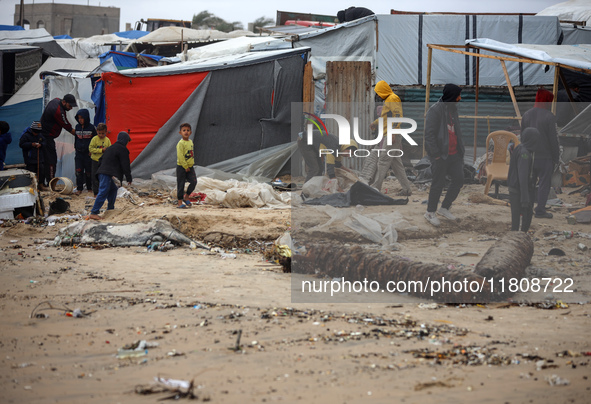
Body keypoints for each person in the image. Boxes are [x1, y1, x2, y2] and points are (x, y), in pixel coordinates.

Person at [423, 83, 465, 227]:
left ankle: (444, 208)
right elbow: (429, 135)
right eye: (457, 95)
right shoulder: (435, 111)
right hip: (440, 155)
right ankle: (430, 212)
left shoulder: (453, 109)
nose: (460, 98)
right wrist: (435, 155)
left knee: (459, 179)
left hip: (454, 155)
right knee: (438, 184)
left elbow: (456, 130)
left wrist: (461, 151)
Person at [368, 81, 413, 196]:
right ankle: (407, 189)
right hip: (389, 134)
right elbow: (386, 117)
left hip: (391, 134)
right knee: (397, 165)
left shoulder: (393, 98)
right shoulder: (388, 100)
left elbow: (398, 116)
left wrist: (393, 132)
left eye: (378, 92)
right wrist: (375, 123)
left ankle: (375, 188)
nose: (378, 95)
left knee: (382, 161)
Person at [521, 88, 560, 219]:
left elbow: (523, 137)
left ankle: (527, 209)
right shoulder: (550, 116)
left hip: (529, 156)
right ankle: (540, 211)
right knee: (544, 183)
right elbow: (553, 139)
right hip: (545, 157)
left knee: (530, 183)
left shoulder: (526, 115)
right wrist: (556, 157)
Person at [89, 131, 132, 220]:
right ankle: (94, 212)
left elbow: (100, 159)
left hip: (102, 172)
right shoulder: (123, 149)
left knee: (113, 189)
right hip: (106, 173)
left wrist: (101, 170)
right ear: (125, 141)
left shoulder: (110, 148)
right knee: (103, 191)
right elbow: (125, 164)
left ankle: (110, 209)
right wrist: (128, 177)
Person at [40, 94, 77, 184]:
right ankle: (51, 183)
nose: (71, 108)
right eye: (70, 106)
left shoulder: (56, 99)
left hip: (44, 135)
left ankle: (44, 182)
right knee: (51, 160)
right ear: (64, 102)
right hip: (47, 136)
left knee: (45, 160)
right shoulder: (58, 111)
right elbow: (68, 127)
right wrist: (80, 135)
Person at [508, 127, 539, 232]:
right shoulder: (524, 154)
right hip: (519, 191)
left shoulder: (520, 148)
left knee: (516, 219)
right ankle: (519, 238)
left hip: (515, 188)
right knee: (523, 218)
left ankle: (516, 238)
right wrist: (525, 198)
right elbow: (523, 176)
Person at [73, 109, 96, 195]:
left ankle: (89, 187)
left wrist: (92, 150)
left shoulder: (91, 128)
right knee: (78, 171)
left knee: (88, 171)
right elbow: (76, 138)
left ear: (86, 118)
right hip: (79, 153)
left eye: (82, 118)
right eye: (79, 118)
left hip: (88, 154)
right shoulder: (77, 127)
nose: (80, 120)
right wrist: (76, 147)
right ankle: (79, 188)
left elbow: (94, 140)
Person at [18, 121, 46, 189]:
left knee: (41, 171)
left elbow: (45, 142)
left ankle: (41, 184)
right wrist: (31, 144)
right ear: (32, 130)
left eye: (38, 132)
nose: (36, 133)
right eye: (35, 132)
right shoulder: (25, 135)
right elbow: (21, 144)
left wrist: (41, 145)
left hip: (39, 158)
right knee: (31, 172)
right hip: (30, 158)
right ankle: (32, 186)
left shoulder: (40, 135)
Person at [176, 122, 197, 209]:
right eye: (184, 130)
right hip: (182, 167)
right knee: (181, 184)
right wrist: (185, 166)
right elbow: (180, 156)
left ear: (190, 132)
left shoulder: (190, 142)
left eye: (188, 130)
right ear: (180, 132)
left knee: (194, 181)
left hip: (190, 166)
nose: (186, 132)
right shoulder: (180, 143)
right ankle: (179, 202)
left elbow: (191, 154)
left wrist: (190, 165)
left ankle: (187, 196)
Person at [89, 123, 111, 196]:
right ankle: (96, 192)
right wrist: (101, 150)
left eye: (103, 133)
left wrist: (107, 151)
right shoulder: (94, 139)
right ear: (97, 131)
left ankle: (103, 191)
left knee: (103, 177)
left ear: (105, 132)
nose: (101, 135)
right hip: (95, 160)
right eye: (99, 133)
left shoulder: (107, 140)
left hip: (103, 162)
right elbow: (91, 149)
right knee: (94, 176)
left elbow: (110, 150)